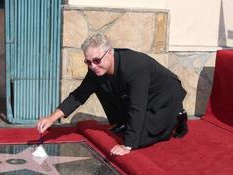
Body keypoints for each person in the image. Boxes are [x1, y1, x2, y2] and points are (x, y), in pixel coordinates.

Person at [37, 33, 188, 156]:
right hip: (144, 96)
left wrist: (128, 146)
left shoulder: (134, 66)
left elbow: (137, 105)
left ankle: (176, 118)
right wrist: (51, 118)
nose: (93, 66)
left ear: (109, 52)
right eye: (88, 62)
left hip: (165, 95)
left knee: (140, 138)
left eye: (96, 60)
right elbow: (79, 95)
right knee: (101, 85)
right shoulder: (97, 70)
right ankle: (123, 124)